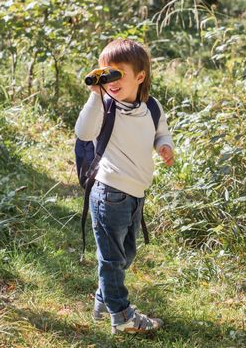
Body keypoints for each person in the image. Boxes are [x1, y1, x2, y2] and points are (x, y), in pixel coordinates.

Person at [75, 39, 174, 334]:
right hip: (108, 192)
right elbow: (83, 132)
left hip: (135, 194)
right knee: (112, 258)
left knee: (125, 253)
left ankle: (104, 300)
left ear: (140, 76)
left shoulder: (151, 107)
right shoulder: (105, 106)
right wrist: (95, 95)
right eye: (106, 72)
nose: (111, 79)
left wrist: (164, 145)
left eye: (119, 73)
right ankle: (122, 315)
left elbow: (161, 131)